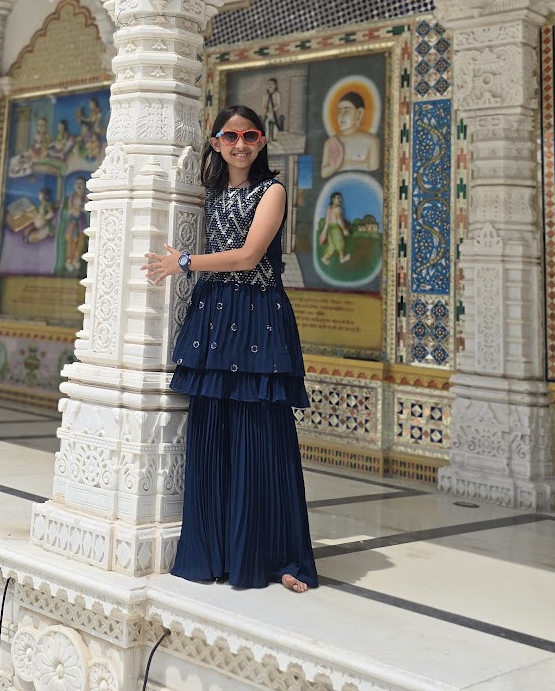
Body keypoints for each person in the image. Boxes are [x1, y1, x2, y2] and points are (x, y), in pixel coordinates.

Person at [145, 105, 317, 593]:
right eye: (231, 136)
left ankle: (274, 558)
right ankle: (213, 553)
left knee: (260, 439)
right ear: (216, 142)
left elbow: (248, 256)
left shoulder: (272, 191)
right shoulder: (212, 193)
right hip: (215, 318)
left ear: (261, 142)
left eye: (250, 135)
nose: (240, 144)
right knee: (213, 437)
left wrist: (184, 262)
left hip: (258, 317)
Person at [321, 90, 380, 175]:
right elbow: (323, 173)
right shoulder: (331, 143)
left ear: (359, 114)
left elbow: (374, 172)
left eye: (346, 111)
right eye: (339, 111)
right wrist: (334, 166)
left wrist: (347, 164)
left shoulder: (371, 141)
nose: (341, 116)